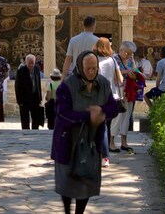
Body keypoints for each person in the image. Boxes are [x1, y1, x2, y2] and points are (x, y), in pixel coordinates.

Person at [51, 50, 118, 214]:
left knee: (86, 180)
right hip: (67, 139)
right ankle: (67, 211)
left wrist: (101, 111)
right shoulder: (67, 86)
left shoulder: (103, 84)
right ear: (80, 67)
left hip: (91, 141)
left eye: (94, 68)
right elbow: (61, 112)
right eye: (88, 68)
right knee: (66, 180)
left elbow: (113, 108)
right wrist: (88, 116)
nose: (91, 71)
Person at [93, 38, 122, 165]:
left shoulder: (93, 59)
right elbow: (120, 80)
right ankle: (104, 156)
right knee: (105, 126)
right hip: (111, 96)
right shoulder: (113, 60)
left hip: (96, 95)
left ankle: (103, 155)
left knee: (100, 127)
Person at [113, 41, 141, 154]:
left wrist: (137, 73)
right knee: (117, 117)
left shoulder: (130, 60)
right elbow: (113, 74)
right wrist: (126, 72)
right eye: (128, 53)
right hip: (119, 91)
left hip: (129, 91)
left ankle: (124, 142)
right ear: (122, 51)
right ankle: (112, 141)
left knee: (127, 116)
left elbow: (135, 69)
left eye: (131, 54)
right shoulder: (115, 59)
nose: (130, 56)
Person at [15, 54, 44, 129]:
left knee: (36, 117)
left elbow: (38, 83)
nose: (31, 65)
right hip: (24, 98)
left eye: (33, 63)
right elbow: (17, 86)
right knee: (25, 118)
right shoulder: (21, 71)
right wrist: (19, 100)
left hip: (35, 97)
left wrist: (40, 97)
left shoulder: (37, 69)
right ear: (26, 62)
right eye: (29, 63)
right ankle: (25, 133)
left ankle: (35, 132)